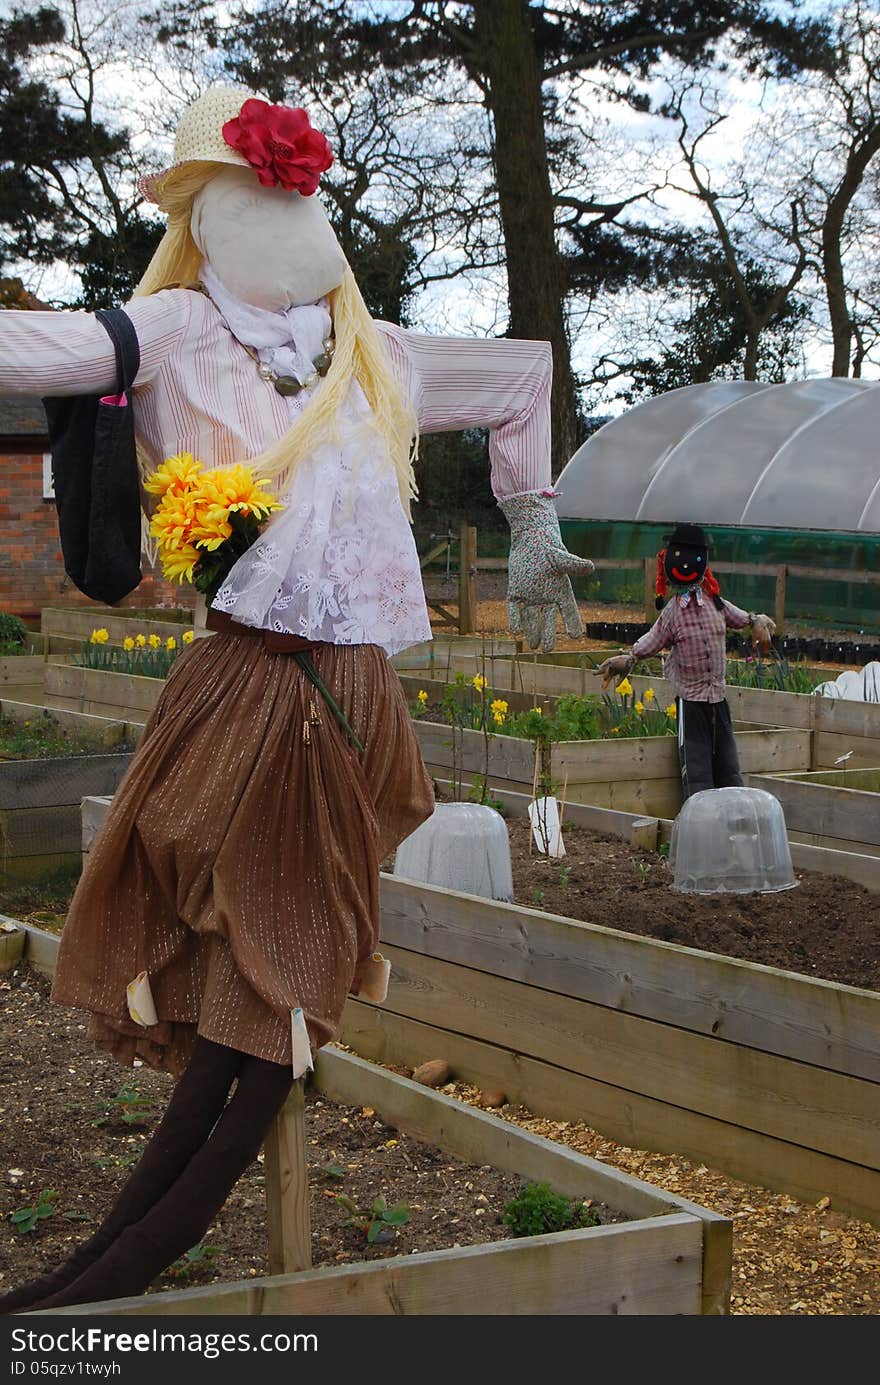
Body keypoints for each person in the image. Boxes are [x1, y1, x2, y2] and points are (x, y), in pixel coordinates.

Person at [0, 85, 592, 1312]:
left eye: (291, 195)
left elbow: (524, 377)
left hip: (352, 690)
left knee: (286, 950)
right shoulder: (163, 331)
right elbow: (32, 348)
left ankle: (103, 1275)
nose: (280, 217)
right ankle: (101, 1274)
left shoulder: (371, 352)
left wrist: (532, 518)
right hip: (245, 680)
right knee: (249, 938)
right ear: (205, 214)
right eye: (253, 195)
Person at [597, 523, 776, 797]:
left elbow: (741, 618)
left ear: (703, 562)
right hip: (691, 703)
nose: (685, 564)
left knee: (728, 765)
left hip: (718, 699)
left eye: (693, 557)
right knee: (696, 768)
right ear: (668, 561)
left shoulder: (715, 602)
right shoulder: (672, 614)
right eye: (679, 557)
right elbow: (653, 639)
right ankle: (699, 820)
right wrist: (629, 658)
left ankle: (732, 814)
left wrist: (757, 621)